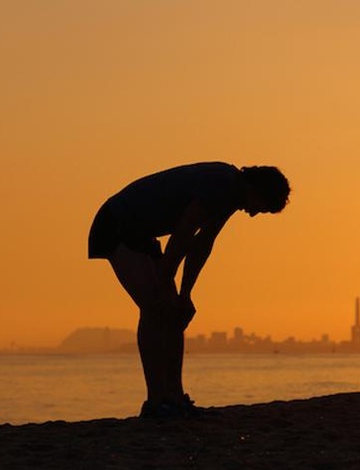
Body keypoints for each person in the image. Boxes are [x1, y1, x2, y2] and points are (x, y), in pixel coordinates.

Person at [88, 161, 290, 418]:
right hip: (116, 224)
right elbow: (182, 235)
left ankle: (174, 396)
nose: (252, 214)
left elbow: (202, 244)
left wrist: (185, 294)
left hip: (142, 233)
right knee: (154, 307)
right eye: (259, 208)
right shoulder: (221, 183)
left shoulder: (231, 197)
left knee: (175, 312)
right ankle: (155, 401)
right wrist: (165, 283)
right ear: (255, 189)